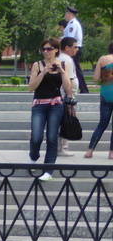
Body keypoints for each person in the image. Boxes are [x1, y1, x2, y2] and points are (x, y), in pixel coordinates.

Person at [28, 38, 73, 179]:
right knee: (36, 137)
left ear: (56, 50)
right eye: (44, 49)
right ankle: (33, 158)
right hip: (39, 105)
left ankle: (48, 170)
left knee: (52, 137)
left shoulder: (64, 64)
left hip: (56, 105)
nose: (46, 52)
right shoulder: (38, 65)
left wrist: (62, 72)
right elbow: (31, 87)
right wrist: (43, 73)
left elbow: (67, 88)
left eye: (49, 49)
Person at [84, 41, 113, 160]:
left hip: (106, 94)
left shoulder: (102, 59)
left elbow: (95, 79)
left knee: (102, 125)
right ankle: (111, 153)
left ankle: (90, 151)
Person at [58, 36, 82, 157]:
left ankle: (61, 147)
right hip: (66, 95)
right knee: (66, 121)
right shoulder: (67, 60)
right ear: (67, 47)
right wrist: (70, 97)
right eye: (75, 47)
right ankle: (62, 148)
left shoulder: (61, 58)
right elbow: (69, 80)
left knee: (63, 121)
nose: (77, 49)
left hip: (63, 95)